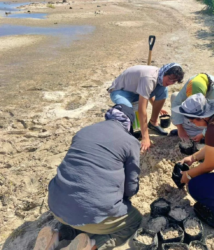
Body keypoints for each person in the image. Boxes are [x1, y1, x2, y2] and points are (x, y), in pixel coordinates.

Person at [33, 104, 142, 250]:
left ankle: (56, 235)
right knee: (134, 220)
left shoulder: (83, 131)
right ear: (128, 123)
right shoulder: (130, 142)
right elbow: (131, 188)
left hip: (57, 206)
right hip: (93, 215)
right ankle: (91, 245)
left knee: (79, 214)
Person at [107, 63, 184, 151]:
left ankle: (153, 122)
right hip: (121, 91)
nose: (170, 83)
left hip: (136, 91)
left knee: (164, 90)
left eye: (174, 81)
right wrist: (146, 137)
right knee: (128, 109)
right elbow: (142, 109)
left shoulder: (160, 76)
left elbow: (149, 91)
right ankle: (125, 134)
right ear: (165, 72)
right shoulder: (149, 78)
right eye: (170, 79)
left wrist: (155, 105)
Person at [171, 73, 214, 142]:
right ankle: (188, 130)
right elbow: (176, 102)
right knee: (175, 96)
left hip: (207, 120)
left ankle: (198, 133)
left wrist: (203, 134)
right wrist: (180, 128)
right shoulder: (192, 83)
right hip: (201, 119)